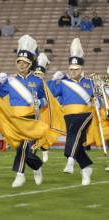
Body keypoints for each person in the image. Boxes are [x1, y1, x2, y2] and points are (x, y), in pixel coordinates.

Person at [0, 35, 48, 188]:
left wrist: (41, 102)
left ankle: (20, 175)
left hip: (30, 118)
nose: (22, 65)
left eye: (25, 62)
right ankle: (37, 166)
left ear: (30, 64)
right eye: (19, 62)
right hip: (14, 119)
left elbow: (45, 99)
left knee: (24, 147)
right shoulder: (10, 80)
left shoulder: (38, 80)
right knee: (19, 147)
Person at [47, 38, 95, 186]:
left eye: (76, 69)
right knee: (76, 141)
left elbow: (97, 96)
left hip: (85, 114)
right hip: (68, 115)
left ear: (81, 69)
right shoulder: (64, 83)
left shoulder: (89, 82)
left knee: (74, 133)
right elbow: (50, 93)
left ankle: (70, 160)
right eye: (71, 69)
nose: (73, 72)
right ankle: (86, 168)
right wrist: (53, 80)